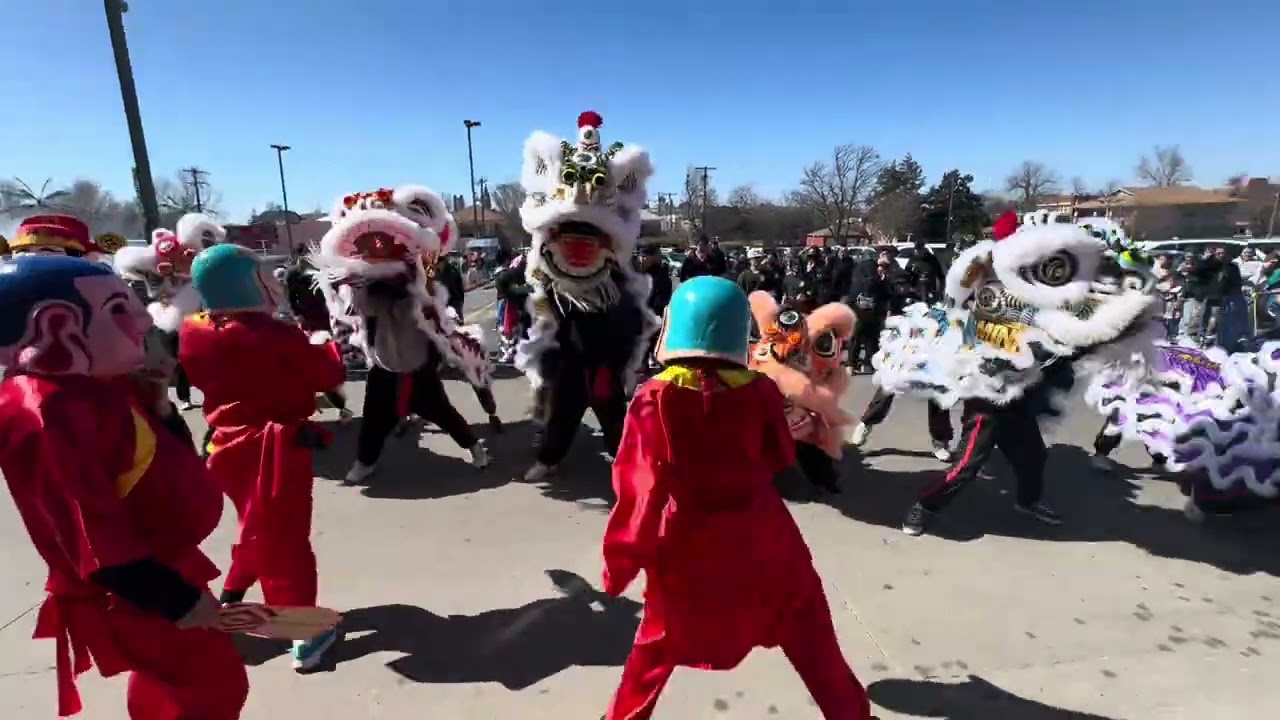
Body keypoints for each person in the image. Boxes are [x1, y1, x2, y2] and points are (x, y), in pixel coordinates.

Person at [602, 275, 871, 720]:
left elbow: (639, 487)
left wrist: (622, 560)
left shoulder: (653, 398)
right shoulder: (761, 389)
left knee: (656, 646)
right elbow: (779, 456)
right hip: (764, 536)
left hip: (687, 541)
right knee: (809, 634)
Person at [0, 255, 248, 719]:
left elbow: (164, 457)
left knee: (171, 686)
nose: (141, 319)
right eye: (118, 308)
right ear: (56, 328)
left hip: (162, 565)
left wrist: (159, 406)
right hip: (134, 587)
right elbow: (83, 527)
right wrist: (167, 597)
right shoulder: (43, 410)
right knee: (211, 688)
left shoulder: (96, 384)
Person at [179, 244, 346, 671]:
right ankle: (304, 632)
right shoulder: (271, 335)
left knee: (255, 524)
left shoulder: (194, 329)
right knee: (284, 538)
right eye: (263, 277)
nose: (273, 284)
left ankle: (232, 595)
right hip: (274, 448)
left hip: (224, 444)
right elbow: (328, 374)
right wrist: (326, 344)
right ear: (247, 283)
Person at [309, 185, 494, 484]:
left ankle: (474, 448)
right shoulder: (362, 288)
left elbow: (433, 315)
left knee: (444, 414)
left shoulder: (420, 285)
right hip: (383, 368)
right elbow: (356, 310)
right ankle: (364, 463)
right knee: (373, 423)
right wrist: (358, 281)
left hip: (418, 367)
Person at [513, 111, 660, 481]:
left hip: (603, 364)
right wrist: (525, 293)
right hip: (568, 362)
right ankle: (550, 459)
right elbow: (533, 306)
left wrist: (618, 355)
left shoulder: (618, 283)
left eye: (589, 238)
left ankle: (627, 464)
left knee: (612, 413)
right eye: (569, 237)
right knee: (563, 411)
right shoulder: (548, 281)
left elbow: (633, 321)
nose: (579, 248)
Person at [637, 245, 673, 367]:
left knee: (650, 342)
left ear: (652, 258)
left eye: (645, 257)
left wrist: (653, 314)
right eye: (640, 256)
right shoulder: (636, 273)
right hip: (637, 314)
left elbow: (662, 298)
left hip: (652, 315)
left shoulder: (660, 276)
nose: (642, 259)